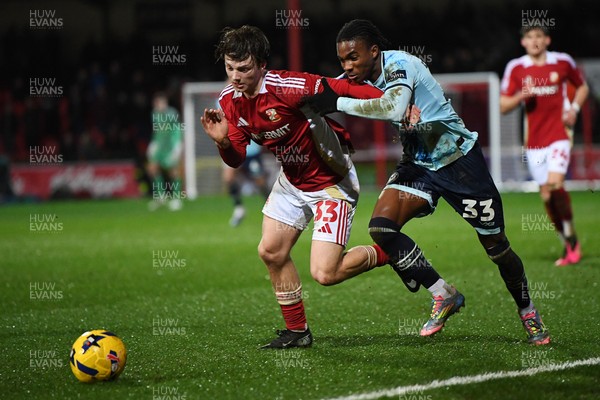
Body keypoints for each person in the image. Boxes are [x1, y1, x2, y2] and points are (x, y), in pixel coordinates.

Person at [303, 19, 550, 345]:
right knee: (382, 228)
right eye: (342, 60)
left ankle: (527, 310)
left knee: (497, 248)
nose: (347, 67)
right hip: (418, 165)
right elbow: (320, 90)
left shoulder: (401, 64)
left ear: (374, 52)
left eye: (353, 58)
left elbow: (394, 108)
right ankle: (443, 293)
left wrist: (335, 103)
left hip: (461, 164)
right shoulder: (356, 76)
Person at [201, 25, 391, 349]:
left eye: (244, 68)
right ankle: (298, 332)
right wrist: (222, 143)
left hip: (331, 182)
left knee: (325, 274)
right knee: (271, 251)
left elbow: (341, 89)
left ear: (262, 65)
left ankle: (392, 251)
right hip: (292, 182)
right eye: (230, 68)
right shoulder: (229, 102)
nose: (235, 76)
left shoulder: (290, 87)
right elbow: (235, 159)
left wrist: (392, 100)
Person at [500, 25, 589, 267]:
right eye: (529, 37)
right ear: (523, 43)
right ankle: (567, 242)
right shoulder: (516, 68)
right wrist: (522, 96)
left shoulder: (562, 62)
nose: (535, 40)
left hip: (560, 135)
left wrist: (574, 109)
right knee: (547, 196)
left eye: (539, 36)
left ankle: (570, 234)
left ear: (547, 39)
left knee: (555, 183)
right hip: (534, 143)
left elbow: (582, 86)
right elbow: (503, 105)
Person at [146, 92, 184, 211]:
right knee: (152, 168)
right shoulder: (154, 114)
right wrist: (153, 144)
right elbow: (157, 131)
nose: (158, 105)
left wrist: (178, 146)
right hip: (160, 147)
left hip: (171, 146)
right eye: (156, 103)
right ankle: (161, 196)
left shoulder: (172, 113)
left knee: (173, 171)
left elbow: (177, 129)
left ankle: (177, 198)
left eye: (161, 103)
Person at [223, 139, 270, 227]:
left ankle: (271, 207)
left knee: (260, 182)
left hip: (252, 153)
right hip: (234, 150)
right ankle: (239, 208)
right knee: (229, 177)